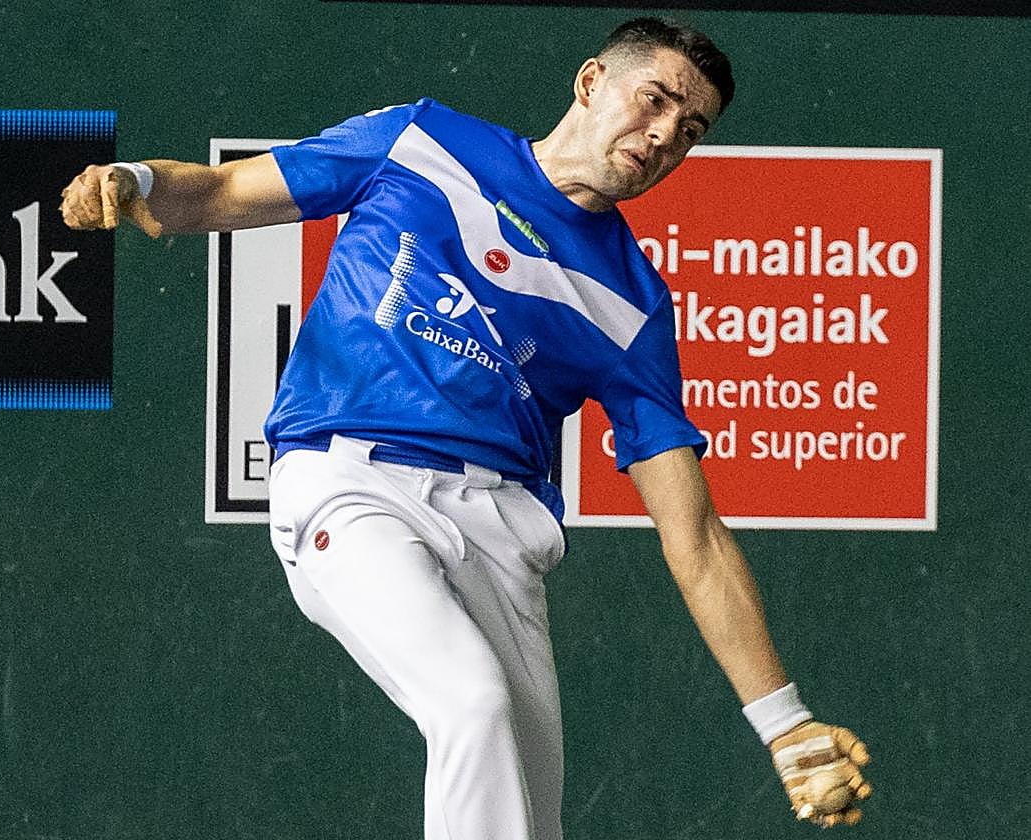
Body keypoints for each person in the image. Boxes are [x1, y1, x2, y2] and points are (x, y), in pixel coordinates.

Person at [61, 17, 873, 838]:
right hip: (353, 487)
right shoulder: (420, 142)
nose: (663, 135)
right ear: (591, 83)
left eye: (689, 130)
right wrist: (132, 179)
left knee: (525, 812)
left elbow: (693, 534)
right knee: (470, 702)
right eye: (653, 100)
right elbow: (220, 192)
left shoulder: (632, 304)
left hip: (500, 536)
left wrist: (787, 727)